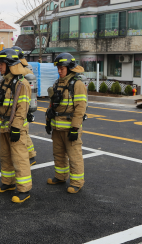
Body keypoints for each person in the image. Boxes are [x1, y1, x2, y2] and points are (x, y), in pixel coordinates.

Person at [0, 48, 32, 203]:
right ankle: (8, 183)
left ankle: (24, 189)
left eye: (1, 64)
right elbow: (3, 105)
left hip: (16, 128)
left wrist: (16, 127)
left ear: (8, 64)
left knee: (20, 158)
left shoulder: (22, 83)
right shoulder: (5, 82)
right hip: (4, 126)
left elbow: (22, 108)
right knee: (6, 156)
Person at [45, 53, 87, 194]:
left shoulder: (77, 84)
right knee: (58, 153)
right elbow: (52, 104)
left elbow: (80, 107)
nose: (59, 71)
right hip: (57, 126)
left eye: (62, 68)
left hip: (70, 127)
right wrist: (48, 121)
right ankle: (60, 176)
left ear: (69, 68)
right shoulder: (58, 83)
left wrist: (75, 128)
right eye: (58, 68)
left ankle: (76, 183)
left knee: (74, 156)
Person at [12, 46, 37, 166]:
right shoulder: (26, 69)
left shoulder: (22, 70)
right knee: (25, 132)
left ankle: (31, 156)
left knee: (24, 132)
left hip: (23, 106)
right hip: (26, 104)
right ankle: (31, 154)